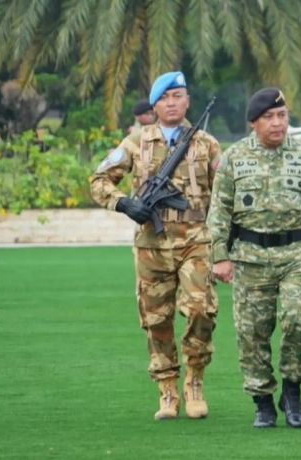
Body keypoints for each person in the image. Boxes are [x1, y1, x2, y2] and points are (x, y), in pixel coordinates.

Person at [206, 87, 301, 429]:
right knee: (252, 332)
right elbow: (218, 212)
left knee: (299, 320)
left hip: (296, 254)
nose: (278, 123)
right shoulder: (234, 159)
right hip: (250, 257)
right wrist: (220, 257)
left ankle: (292, 391)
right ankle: (263, 400)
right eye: (269, 117)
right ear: (254, 123)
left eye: (282, 116)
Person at [89, 71, 221, 421]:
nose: (172, 102)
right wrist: (124, 203)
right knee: (156, 319)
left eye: (178, 95)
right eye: (165, 98)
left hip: (197, 239)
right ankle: (167, 390)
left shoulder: (206, 143)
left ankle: (194, 381)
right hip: (151, 243)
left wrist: (227, 243)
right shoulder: (135, 142)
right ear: (155, 104)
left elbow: (226, 194)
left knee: (200, 311)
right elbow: (99, 180)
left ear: (188, 100)